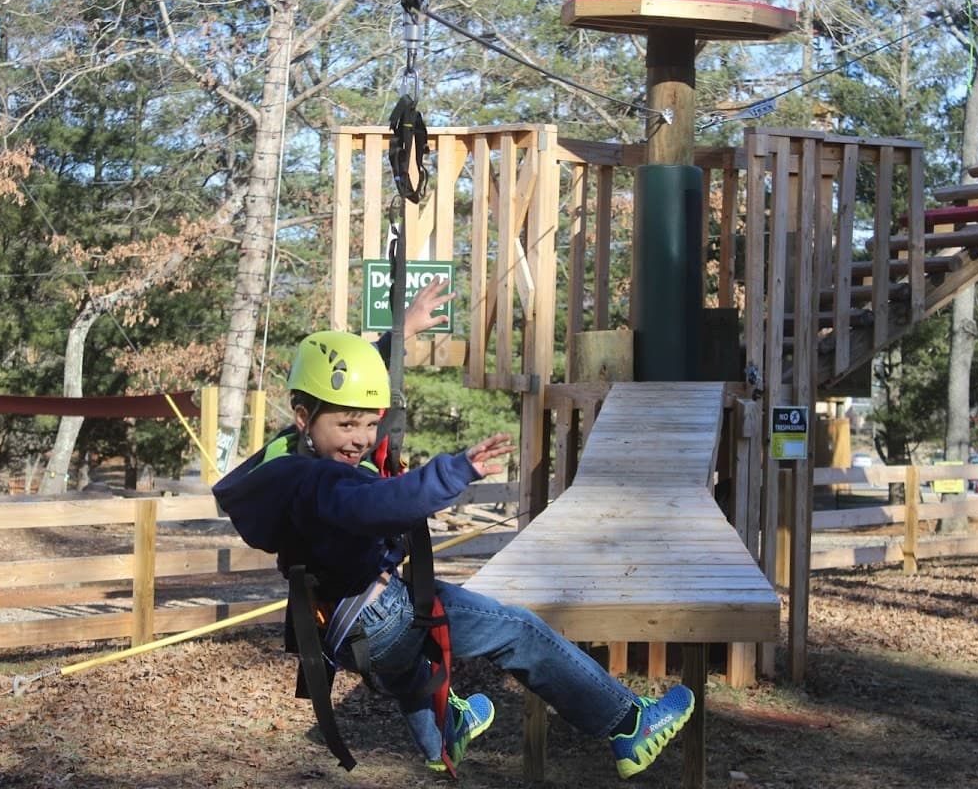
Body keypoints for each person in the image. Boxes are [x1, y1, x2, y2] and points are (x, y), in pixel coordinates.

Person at [214, 326, 693, 780]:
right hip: (384, 615)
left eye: (368, 423)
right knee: (521, 634)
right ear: (304, 416)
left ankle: (443, 735)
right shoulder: (325, 483)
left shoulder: (283, 460)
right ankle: (628, 725)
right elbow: (378, 503)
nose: (360, 439)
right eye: (345, 424)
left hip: (337, 631)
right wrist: (452, 472)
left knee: (404, 668)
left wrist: (399, 334)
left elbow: (337, 387)